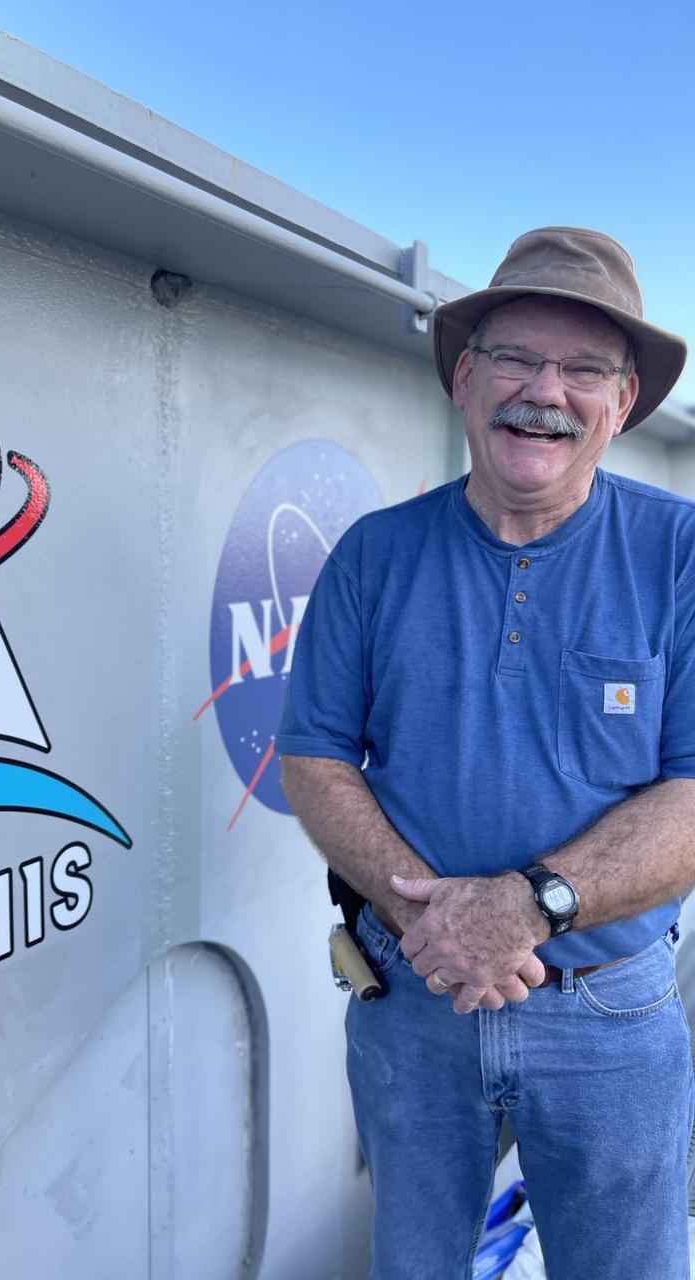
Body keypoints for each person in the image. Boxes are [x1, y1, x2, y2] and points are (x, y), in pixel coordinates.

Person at [277, 227, 694, 1280]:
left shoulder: (681, 550)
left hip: (611, 1011)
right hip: (416, 1001)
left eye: (583, 368)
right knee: (416, 1265)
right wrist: (434, 920)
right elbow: (315, 754)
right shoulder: (375, 552)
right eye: (515, 357)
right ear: (465, 375)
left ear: (624, 398)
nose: (543, 391)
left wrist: (529, 904)